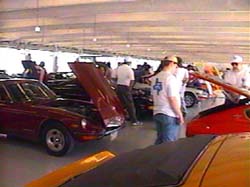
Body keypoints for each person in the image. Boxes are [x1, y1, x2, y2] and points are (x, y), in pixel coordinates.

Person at [151, 55, 184, 144]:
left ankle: (156, 157)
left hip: (157, 112)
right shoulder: (170, 78)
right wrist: (179, 114)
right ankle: (167, 158)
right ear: (172, 64)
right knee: (169, 144)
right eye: (176, 65)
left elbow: (152, 95)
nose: (176, 67)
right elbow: (172, 98)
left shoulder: (155, 78)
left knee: (160, 140)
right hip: (169, 114)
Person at [114, 61, 142, 126]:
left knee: (120, 104)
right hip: (125, 87)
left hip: (118, 87)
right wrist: (129, 89)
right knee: (130, 105)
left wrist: (116, 85)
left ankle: (121, 120)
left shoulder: (118, 68)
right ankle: (134, 121)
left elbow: (114, 78)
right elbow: (132, 80)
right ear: (129, 64)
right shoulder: (129, 69)